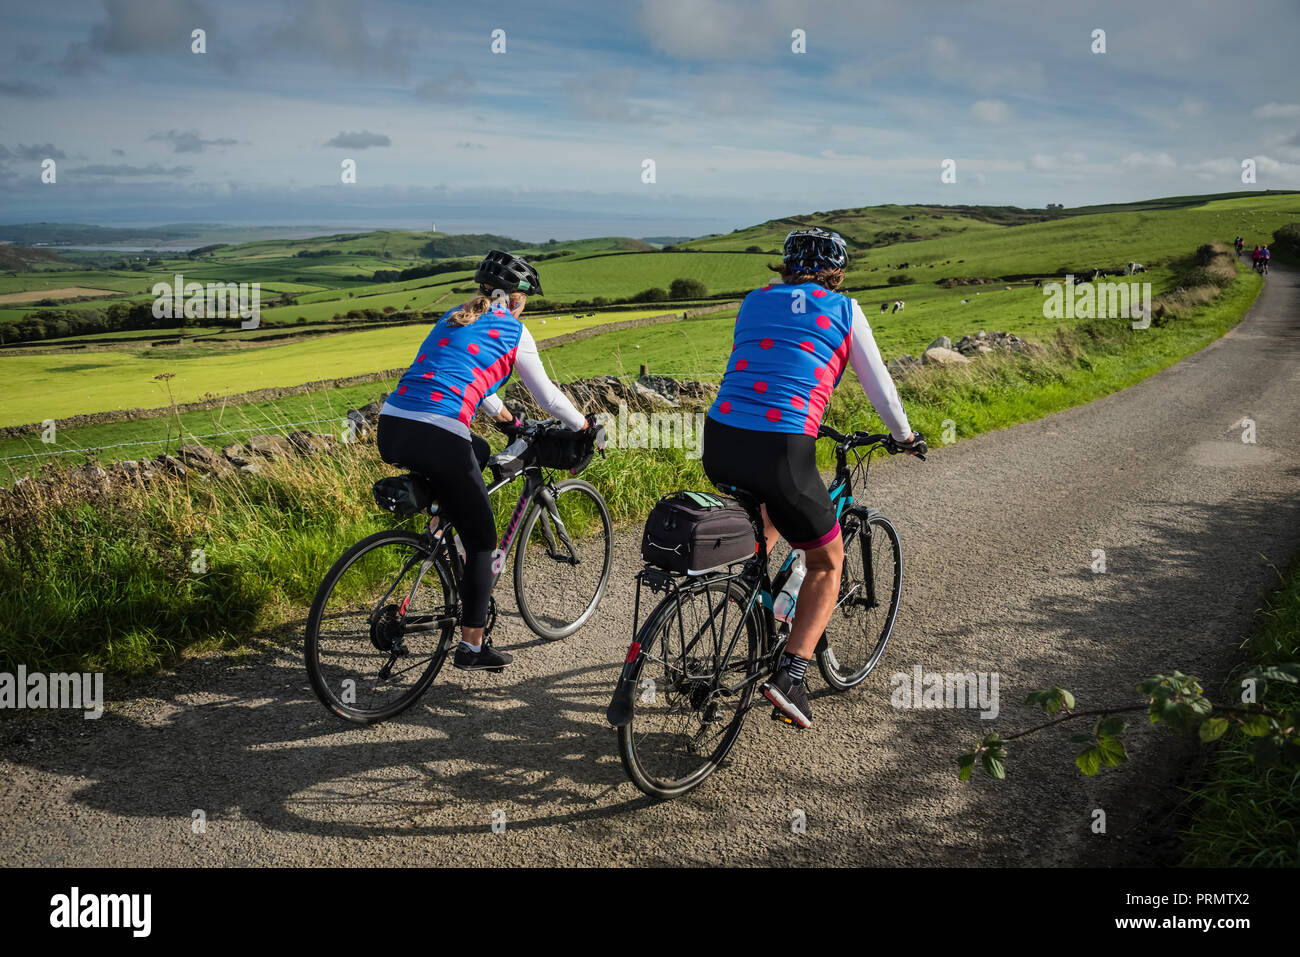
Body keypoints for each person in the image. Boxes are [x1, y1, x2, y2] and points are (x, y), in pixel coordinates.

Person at [701, 227, 925, 729]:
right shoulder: (845, 309)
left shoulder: (754, 300)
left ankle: (747, 589)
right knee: (827, 561)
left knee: (774, 510)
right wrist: (905, 437)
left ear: (784, 266)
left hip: (720, 439)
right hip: (781, 446)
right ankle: (793, 678)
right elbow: (881, 389)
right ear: (837, 273)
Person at [376, 250, 599, 671]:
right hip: (439, 432)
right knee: (483, 544)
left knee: (477, 452)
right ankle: (471, 648)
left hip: (392, 426)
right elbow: (547, 396)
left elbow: (465, 376)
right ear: (517, 297)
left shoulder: (454, 317)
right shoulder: (515, 331)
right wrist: (584, 425)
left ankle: (442, 521)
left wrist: (508, 419)